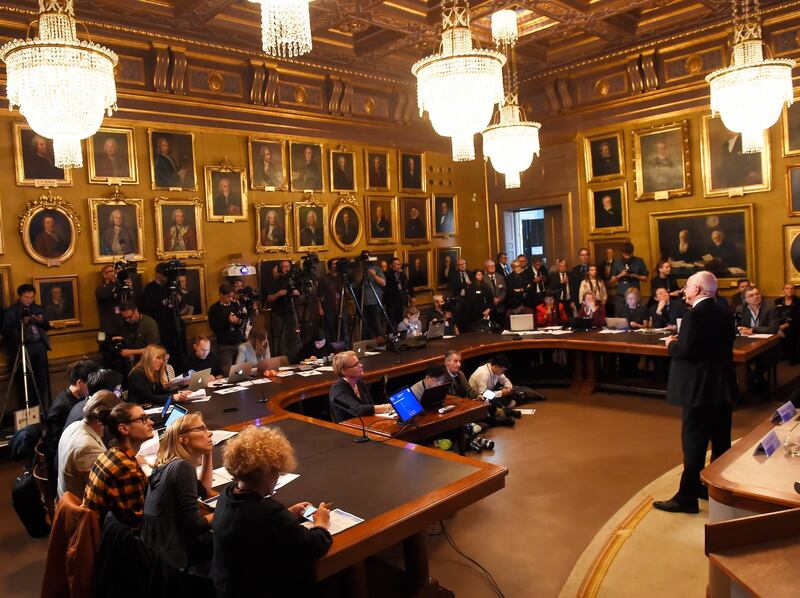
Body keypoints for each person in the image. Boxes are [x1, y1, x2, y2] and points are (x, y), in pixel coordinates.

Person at [211, 425, 332, 598]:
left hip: (229, 586)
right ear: (267, 473)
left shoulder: (227, 494)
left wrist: (288, 516)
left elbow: (252, 528)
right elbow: (314, 546)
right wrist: (321, 522)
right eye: (277, 472)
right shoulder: (268, 511)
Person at [653, 271, 736, 514]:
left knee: (694, 445)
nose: (684, 290)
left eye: (688, 286)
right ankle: (715, 489)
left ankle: (686, 498)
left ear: (697, 290)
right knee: (721, 442)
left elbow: (686, 351)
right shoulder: (723, 312)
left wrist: (671, 344)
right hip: (721, 388)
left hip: (698, 390)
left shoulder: (695, 316)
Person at [141, 412, 214, 571]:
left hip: (158, 549)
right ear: (183, 439)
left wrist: (208, 454)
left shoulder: (170, 463)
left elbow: (204, 491)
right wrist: (225, 511)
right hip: (173, 558)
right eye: (201, 428)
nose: (209, 433)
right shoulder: (182, 467)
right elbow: (196, 525)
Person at [83, 402, 154, 527]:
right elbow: (136, 523)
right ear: (124, 428)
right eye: (143, 419)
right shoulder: (126, 469)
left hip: (102, 530)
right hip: (114, 541)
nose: (151, 422)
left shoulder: (110, 454)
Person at [57, 390, 122, 499]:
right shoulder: (87, 447)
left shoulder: (75, 425)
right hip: (81, 510)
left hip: (67, 496)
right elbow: (110, 489)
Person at [44, 360, 99, 481]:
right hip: (62, 464)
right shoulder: (61, 408)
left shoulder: (76, 398)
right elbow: (56, 444)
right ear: (79, 383)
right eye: (91, 383)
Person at [3, 284, 51, 407]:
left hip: (39, 346)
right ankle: (28, 411)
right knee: (25, 381)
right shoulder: (11, 311)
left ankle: (41, 409)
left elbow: (47, 326)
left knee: (41, 378)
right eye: (26, 297)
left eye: (31, 297)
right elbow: (5, 331)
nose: (29, 300)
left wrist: (41, 321)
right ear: (20, 296)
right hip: (22, 348)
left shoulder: (38, 308)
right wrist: (21, 324)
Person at [328, 351, 392, 422]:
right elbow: (358, 410)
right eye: (355, 365)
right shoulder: (337, 390)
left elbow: (370, 405)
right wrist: (388, 407)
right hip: (349, 430)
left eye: (359, 362)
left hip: (367, 423)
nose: (361, 365)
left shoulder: (359, 383)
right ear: (343, 371)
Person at [267, 260, 302, 359]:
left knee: (294, 336)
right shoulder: (276, 281)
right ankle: (283, 360)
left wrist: (297, 292)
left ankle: (295, 358)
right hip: (279, 313)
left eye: (288, 266)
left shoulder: (294, 280)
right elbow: (269, 298)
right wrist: (278, 294)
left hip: (292, 312)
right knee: (281, 338)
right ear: (280, 269)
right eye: (283, 267)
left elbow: (301, 293)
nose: (286, 269)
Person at [208, 283, 247, 372]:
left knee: (243, 370)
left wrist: (238, 321)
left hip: (238, 342)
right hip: (224, 345)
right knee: (227, 372)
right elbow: (214, 327)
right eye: (228, 297)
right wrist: (227, 321)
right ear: (221, 295)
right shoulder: (214, 309)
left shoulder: (235, 305)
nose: (230, 299)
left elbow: (241, 321)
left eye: (232, 297)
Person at [610, 243, 649, 314]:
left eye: (628, 254)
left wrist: (635, 276)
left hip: (635, 295)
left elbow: (645, 278)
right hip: (620, 295)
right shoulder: (617, 262)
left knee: (636, 317)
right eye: (625, 254)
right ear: (622, 253)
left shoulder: (639, 261)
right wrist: (621, 275)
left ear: (632, 252)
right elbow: (612, 280)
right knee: (620, 317)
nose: (627, 256)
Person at [384, 257, 415, 327]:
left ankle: (402, 335)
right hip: (391, 302)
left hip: (402, 301)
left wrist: (412, 295)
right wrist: (394, 273)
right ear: (391, 265)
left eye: (399, 264)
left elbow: (410, 285)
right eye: (395, 264)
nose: (398, 266)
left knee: (401, 320)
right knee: (391, 321)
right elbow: (386, 287)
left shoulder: (403, 275)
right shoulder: (387, 275)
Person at [775, 283, 800, 363]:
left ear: (794, 290)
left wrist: (785, 325)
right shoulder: (777, 301)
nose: (790, 290)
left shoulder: (798, 301)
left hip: (794, 324)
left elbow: (797, 317)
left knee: (791, 332)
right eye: (787, 288)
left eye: (792, 288)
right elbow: (774, 314)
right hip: (779, 324)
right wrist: (777, 326)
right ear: (783, 290)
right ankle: (780, 356)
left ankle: (792, 358)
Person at [362, 260, 387, 339]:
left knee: (377, 325)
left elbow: (383, 283)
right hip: (364, 303)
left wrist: (374, 275)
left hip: (376, 302)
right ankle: (370, 344)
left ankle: (383, 343)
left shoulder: (377, 269)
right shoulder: (360, 270)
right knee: (367, 326)